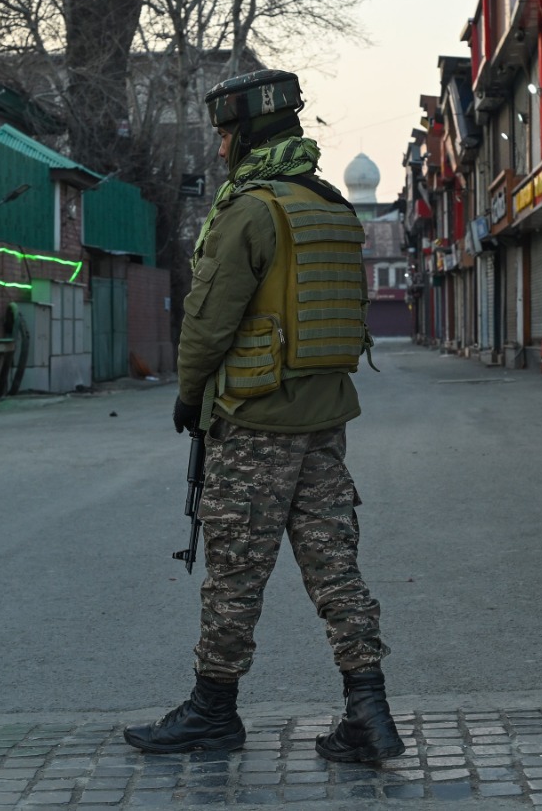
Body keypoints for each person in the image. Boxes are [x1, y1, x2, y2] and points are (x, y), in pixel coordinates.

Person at [122, 69, 404, 764]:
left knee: (235, 574)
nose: (220, 147)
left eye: (224, 134)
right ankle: (368, 709)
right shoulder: (332, 206)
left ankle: (213, 712)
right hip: (324, 421)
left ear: (244, 134)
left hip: (255, 423)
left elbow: (209, 319)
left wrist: (190, 396)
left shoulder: (250, 209)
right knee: (336, 567)